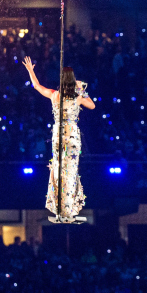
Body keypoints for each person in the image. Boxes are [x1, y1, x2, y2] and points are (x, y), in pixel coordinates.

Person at [23, 57, 95, 223]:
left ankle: (61, 208)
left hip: (59, 134)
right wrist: (81, 89)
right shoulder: (77, 97)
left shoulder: (55, 95)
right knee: (69, 170)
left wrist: (31, 71)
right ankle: (67, 209)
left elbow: (36, 86)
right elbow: (92, 105)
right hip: (71, 135)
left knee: (59, 169)